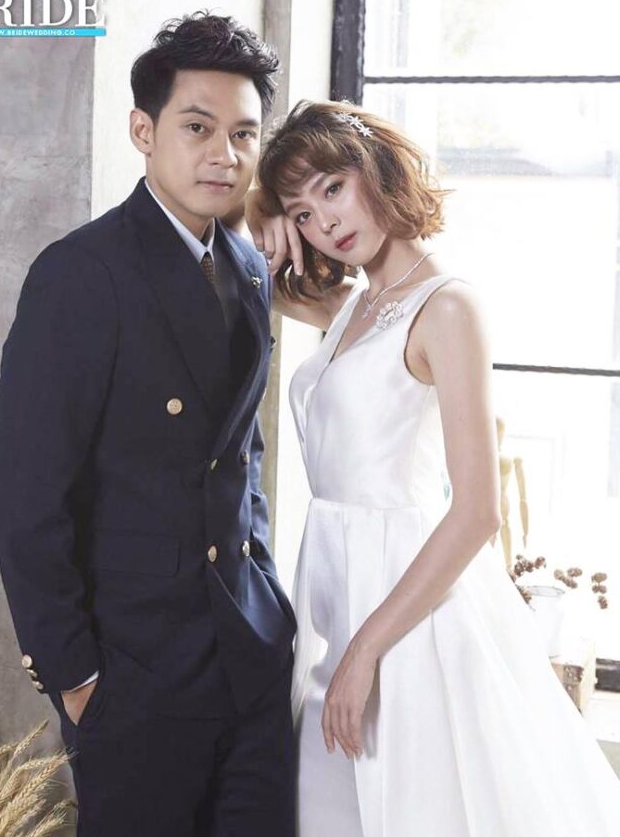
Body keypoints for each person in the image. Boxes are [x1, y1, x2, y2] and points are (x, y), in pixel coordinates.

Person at [249, 99, 620, 836]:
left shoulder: (447, 308)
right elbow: (244, 250)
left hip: (409, 610)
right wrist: (265, 210)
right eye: (304, 212)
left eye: (333, 187)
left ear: (376, 168)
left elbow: (478, 511)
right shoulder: (351, 304)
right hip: (333, 598)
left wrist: (366, 650)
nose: (325, 222)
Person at [0, 12, 296, 837]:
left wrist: (265, 593)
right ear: (143, 131)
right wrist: (78, 679)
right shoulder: (81, 274)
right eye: (197, 128)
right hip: (134, 677)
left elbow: (242, 455)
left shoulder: (248, 267)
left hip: (249, 659)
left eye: (243, 134)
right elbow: (24, 498)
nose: (224, 154)